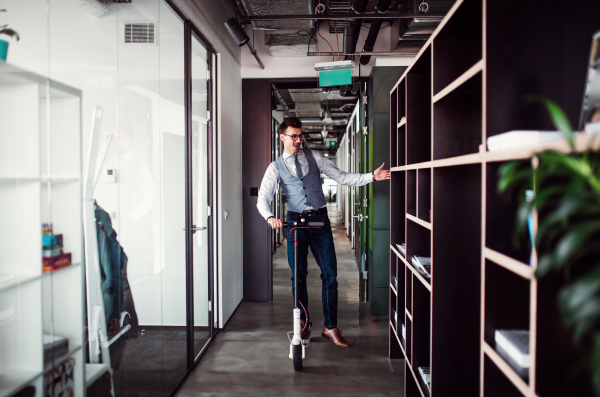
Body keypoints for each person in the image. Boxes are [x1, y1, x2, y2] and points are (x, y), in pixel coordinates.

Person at [257, 117, 390, 348]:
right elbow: (263, 199)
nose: (298, 140)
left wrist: (371, 177)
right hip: (295, 224)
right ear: (282, 137)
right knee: (298, 277)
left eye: (300, 136)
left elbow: (342, 177)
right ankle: (304, 322)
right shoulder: (274, 167)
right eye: (293, 136)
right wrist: (270, 217)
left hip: (320, 223)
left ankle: (330, 327)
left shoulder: (315, 157)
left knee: (330, 275)